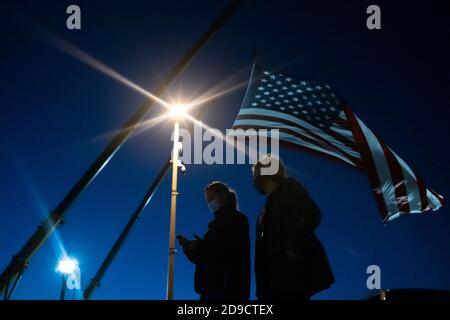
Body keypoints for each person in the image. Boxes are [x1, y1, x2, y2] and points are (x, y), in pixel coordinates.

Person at [252, 154, 335, 300]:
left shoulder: (288, 187)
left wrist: (292, 247)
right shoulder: (263, 213)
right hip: (273, 283)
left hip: (292, 274)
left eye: (257, 173)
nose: (255, 179)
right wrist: (261, 288)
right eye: (254, 175)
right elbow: (261, 253)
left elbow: (311, 214)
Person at [177, 181, 250, 300]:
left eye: (212, 198)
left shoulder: (237, 220)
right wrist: (189, 249)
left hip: (226, 292)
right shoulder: (214, 227)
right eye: (207, 200)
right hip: (210, 291)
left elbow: (227, 253)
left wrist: (199, 246)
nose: (210, 202)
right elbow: (205, 258)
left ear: (224, 195)